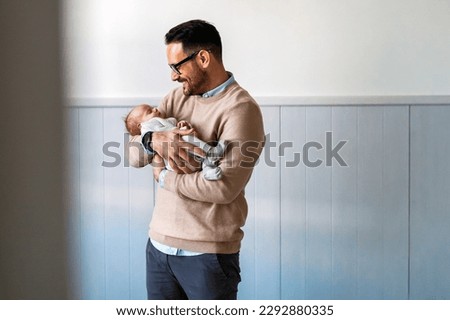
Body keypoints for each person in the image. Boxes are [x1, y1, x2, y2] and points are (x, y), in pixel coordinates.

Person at [127, 19, 265, 300]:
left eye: (177, 67)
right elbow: (133, 156)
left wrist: (164, 177)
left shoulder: (241, 109)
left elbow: (222, 189)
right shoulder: (176, 98)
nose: (173, 77)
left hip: (207, 255)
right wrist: (152, 140)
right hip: (158, 248)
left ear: (203, 58)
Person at [125, 103, 225, 180]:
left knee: (195, 151)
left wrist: (181, 126)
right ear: (140, 125)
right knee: (187, 140)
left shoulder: (161, 119)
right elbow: (134, 156)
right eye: (149, 111)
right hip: (174, 162)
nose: (155, 108)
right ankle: (211, 152)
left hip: (185, 163)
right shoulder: (148, 126)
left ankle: (207, 170)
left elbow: (173, 125)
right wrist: (151, 139)